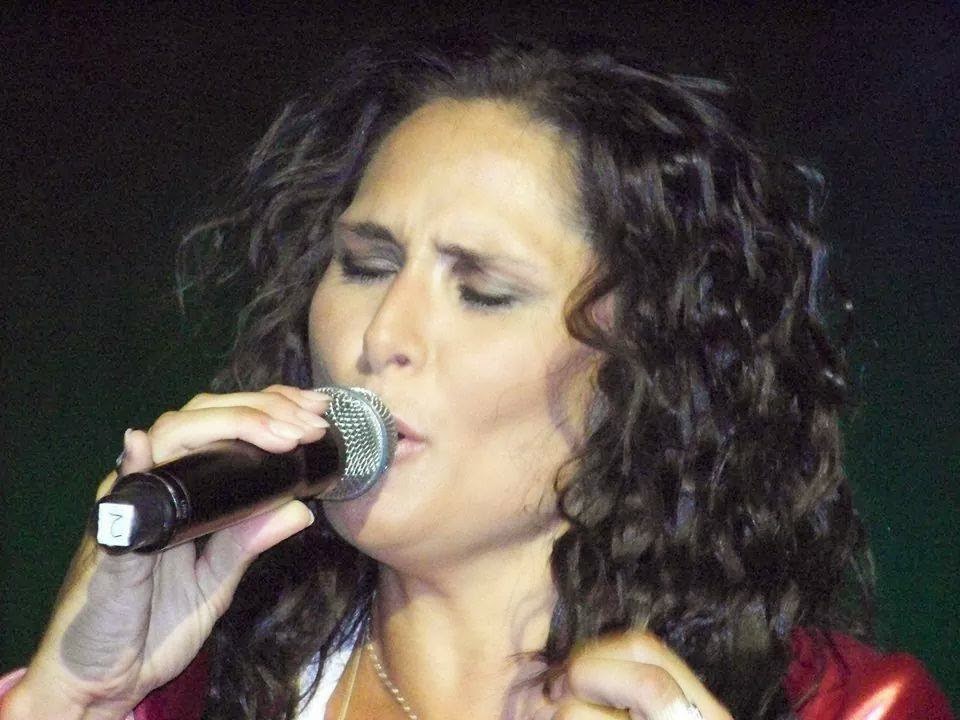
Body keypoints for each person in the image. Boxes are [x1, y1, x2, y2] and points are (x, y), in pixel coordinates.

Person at [0, 34, 952, 720]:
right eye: (366, 265)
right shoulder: (186, 693)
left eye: (483, 291)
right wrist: (70, 696)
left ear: (645, 369)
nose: (383, 335)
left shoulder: (850, 708)